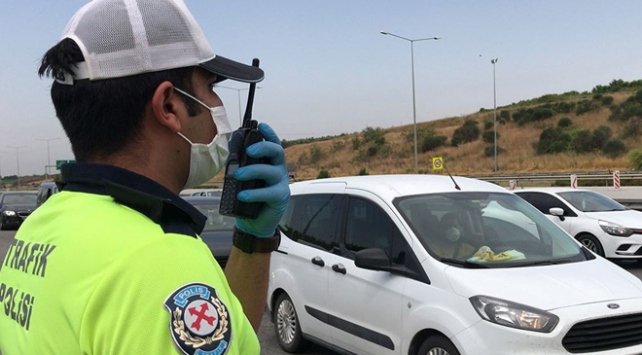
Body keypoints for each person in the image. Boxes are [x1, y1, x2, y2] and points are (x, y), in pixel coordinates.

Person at [0, 0, 289, 354]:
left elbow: (226, 334)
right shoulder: (162, 262)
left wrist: (252, 241)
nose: (218, 106)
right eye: (211, 86)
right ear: (169, 106)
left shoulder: (44, 223)